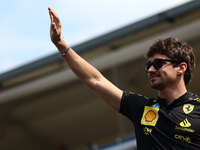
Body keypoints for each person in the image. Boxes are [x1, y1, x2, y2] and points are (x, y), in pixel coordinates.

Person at [48, 7, 200, 150]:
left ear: (181, 68)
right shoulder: (141, 108)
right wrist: (60, 44)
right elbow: (96, 81)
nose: (151, 69)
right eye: (149, 65)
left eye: (159, 64)